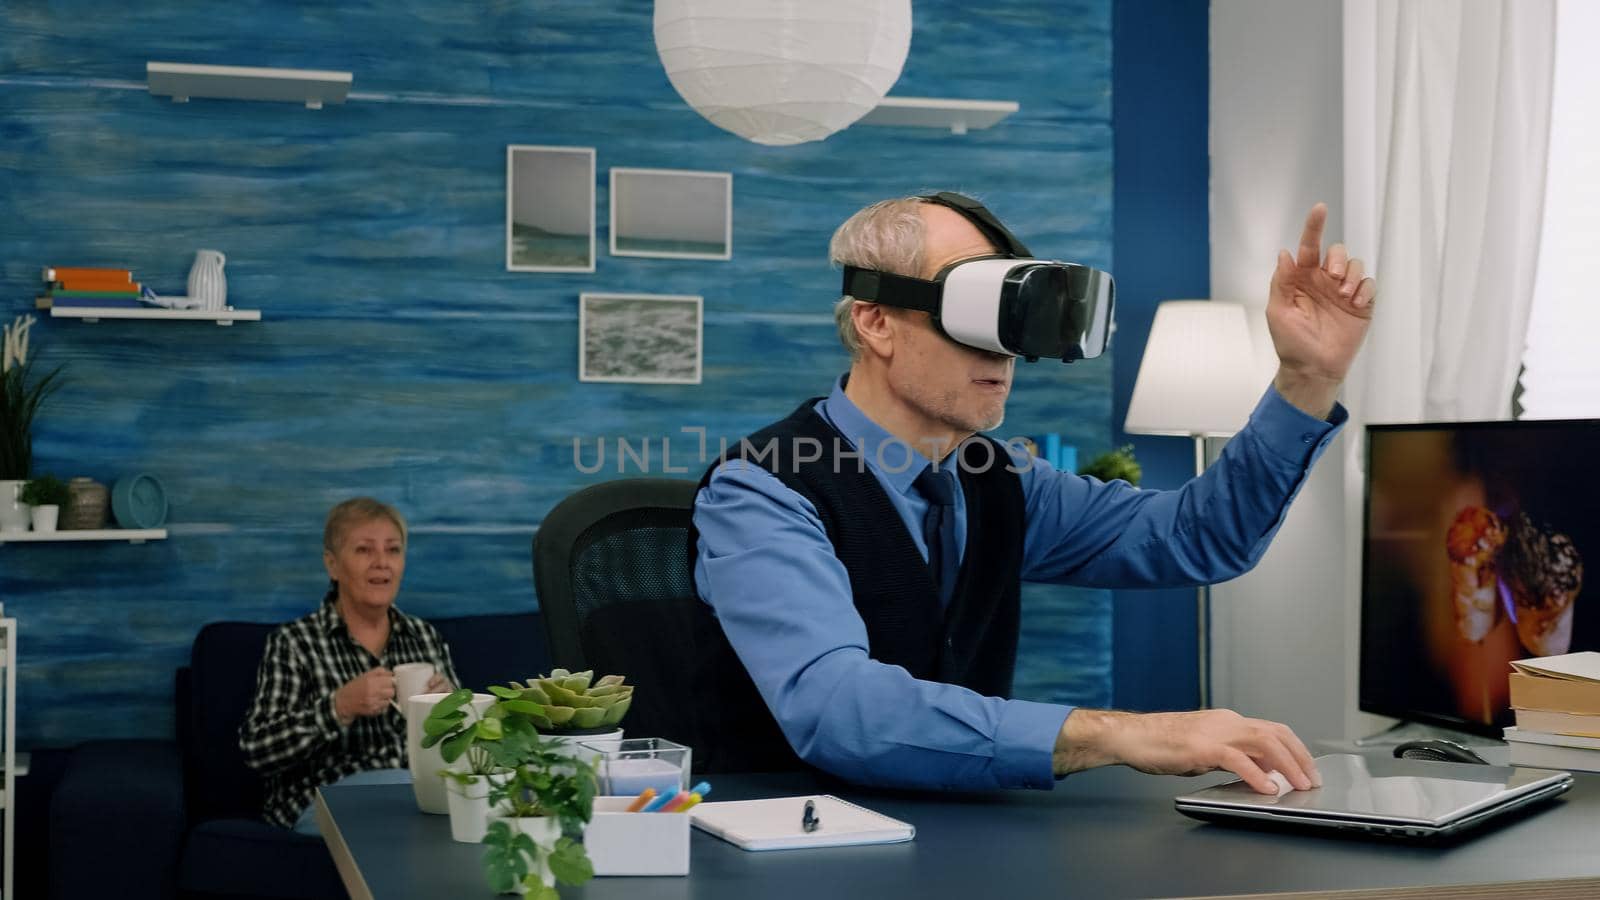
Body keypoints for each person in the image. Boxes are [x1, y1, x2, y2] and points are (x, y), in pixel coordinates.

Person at [689, 194, 1375, 796]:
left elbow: (1198, 537)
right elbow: (839, 710)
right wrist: (1122, 734)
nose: (1002, 351)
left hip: (967, 846)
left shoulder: (999, 482)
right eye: (973, 312)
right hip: (792, 852)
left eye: (1011, 317)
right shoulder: (764, 490)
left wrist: (1306, 380)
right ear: (876, 322)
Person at [240, 497, 460, 833]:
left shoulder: (424, 637)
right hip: (327, 799)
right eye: (363, 550)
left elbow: (468, 744)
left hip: (415, 795)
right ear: (332, 565)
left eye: (393, 550)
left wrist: (451, 708)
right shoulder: (295, 643)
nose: (381, 563)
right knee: (402, 835)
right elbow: (257, 750)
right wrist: (338, 708)